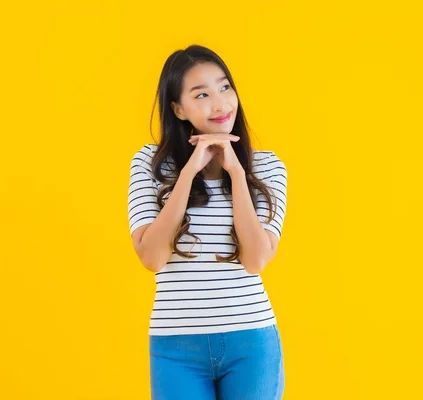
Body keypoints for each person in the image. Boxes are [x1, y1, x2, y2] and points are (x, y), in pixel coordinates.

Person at [127, 44, 287, 400]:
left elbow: (256, 260)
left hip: (251, 340)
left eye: (225, 87)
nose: (220, 104)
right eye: (202, 94)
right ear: (178, 109)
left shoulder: (268, 166)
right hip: (176, 346)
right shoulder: (149, 164)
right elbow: (151, 257)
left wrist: (235, 171)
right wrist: (188, 173)